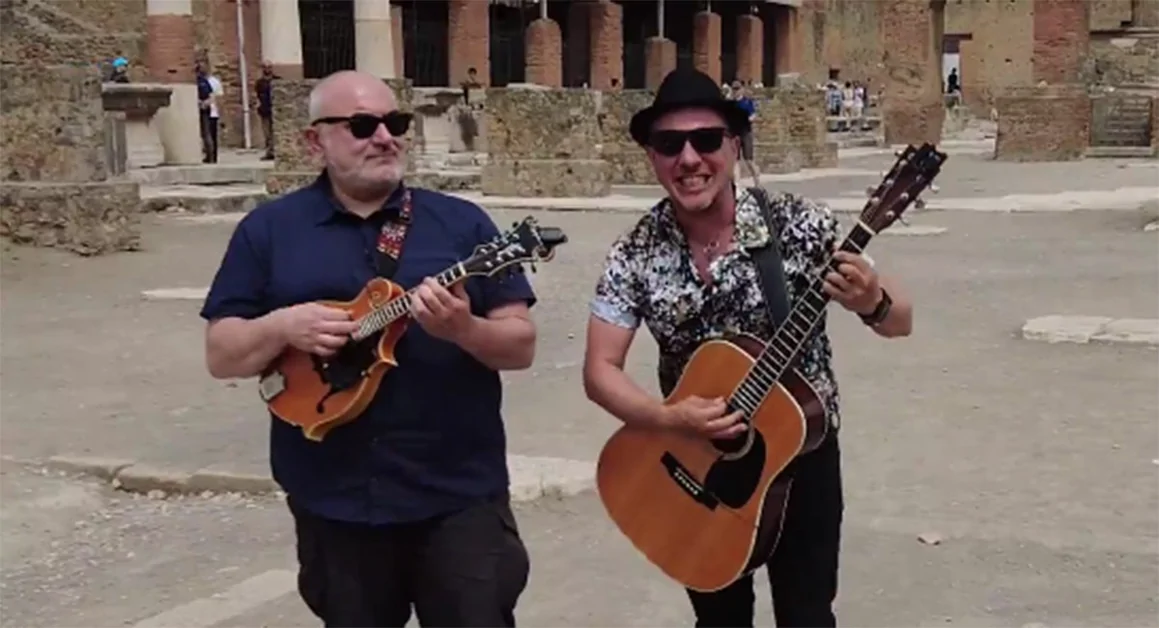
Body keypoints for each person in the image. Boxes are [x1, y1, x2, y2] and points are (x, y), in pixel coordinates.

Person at [199, 70, 537, 627]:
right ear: (315, 142)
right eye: (362, 126)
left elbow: (520, 346)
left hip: (456, 496)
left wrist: (464, 330)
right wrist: (284, 326)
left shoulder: (462, 225)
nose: (384, 137)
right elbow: (221, 354)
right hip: (333, 499)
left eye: (394, 123)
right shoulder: (269, 231)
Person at [582, 67, 914, 627]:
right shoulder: (634, 252)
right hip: (695, 461)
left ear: (734, 145)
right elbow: (600, 369)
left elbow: (900, 321)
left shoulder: (799, 226)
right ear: (651, 156)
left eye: (706, 139)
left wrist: (872, 300)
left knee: (807, 616)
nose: (689, 158)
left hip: (799, 459)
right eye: (669, 144)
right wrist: (668, 418)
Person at [255, 60, 276, 160]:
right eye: (265, 67)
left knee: (275, 132)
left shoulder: (276, 81)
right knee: (267, 133)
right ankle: (269, 152)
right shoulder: (260, 83)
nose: (267, 69)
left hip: (275, 110)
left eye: (269, 67)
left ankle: (275, 151)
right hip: (264, 110)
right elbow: (257, 96)